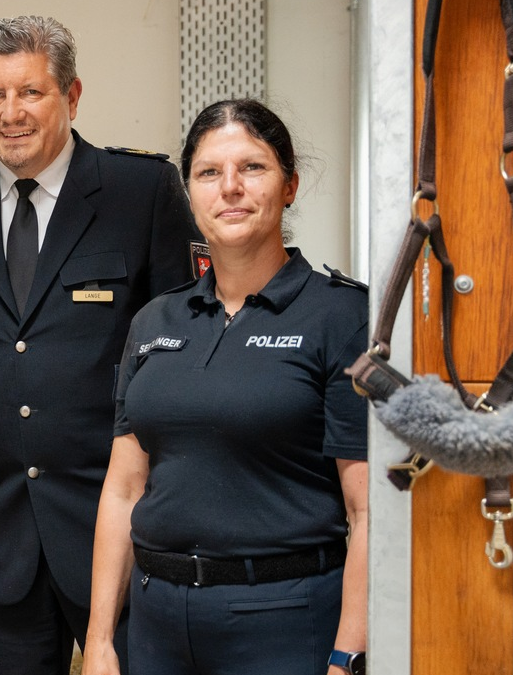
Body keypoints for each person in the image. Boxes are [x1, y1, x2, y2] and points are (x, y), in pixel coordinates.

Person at [0, 15, 203, 675]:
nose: (11, 113)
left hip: (123, 530)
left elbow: (186, 347)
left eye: (30, 92)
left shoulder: (140, 192)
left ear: (72, 95)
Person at [82, 98, 369, 675]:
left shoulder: (342, 317)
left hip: (284, 622)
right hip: (157, 625)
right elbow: (124, 489)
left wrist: (348, 657)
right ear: (190, 196)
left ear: (290, 185)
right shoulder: (153, 322)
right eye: (209, 172)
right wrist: (100, 639)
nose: (230, 187)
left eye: (253, 167)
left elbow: (368, 512)